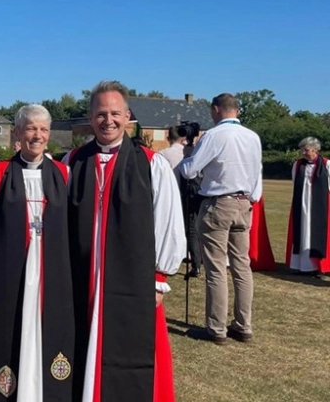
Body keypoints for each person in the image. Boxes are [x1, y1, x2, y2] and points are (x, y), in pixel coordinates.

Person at [64, 81, 185, 402]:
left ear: (128, 116)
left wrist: (159, 279)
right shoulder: (72, 161)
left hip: (132, 283)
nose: (108, 120)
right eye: (100, 114)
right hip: (82, 277)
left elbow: (168, 222)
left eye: (115, 113)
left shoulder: (150, 163)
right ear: (90, 118)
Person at [0, 104, 76, 401]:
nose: (38, 135)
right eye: (31, 128)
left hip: (52, 273)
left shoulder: (64, 173)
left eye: (44, 129)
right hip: (11, 273)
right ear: (17, 133)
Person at [179, 92, 262, 345]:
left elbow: (190, 170)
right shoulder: (252, 137)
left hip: (218, 203)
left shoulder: (214, 135)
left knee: (216, 268)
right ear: (237, 110)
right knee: (241, 266)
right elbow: (258, 171)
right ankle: (243, 324)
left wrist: (188, 153)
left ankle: (216, 328)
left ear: (216, 110)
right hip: (244, 202)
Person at [158, 125, 203, 278]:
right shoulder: (194, 152)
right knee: (192, 230)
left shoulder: (163, 154)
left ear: (168, 137)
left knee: (177, 229)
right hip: (193, 195)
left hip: (174, 196)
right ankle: (195, 261)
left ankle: (183, 260)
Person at [285, 136, 330, 277]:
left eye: (306, 150)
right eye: (302, 150)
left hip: (319, 204)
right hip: (302, 202)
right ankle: (302, 266)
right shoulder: (298, 165)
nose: (303, 152)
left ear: (315, 150)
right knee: (302, 232)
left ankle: (318, 266)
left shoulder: (327, 164)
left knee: (317, 233)